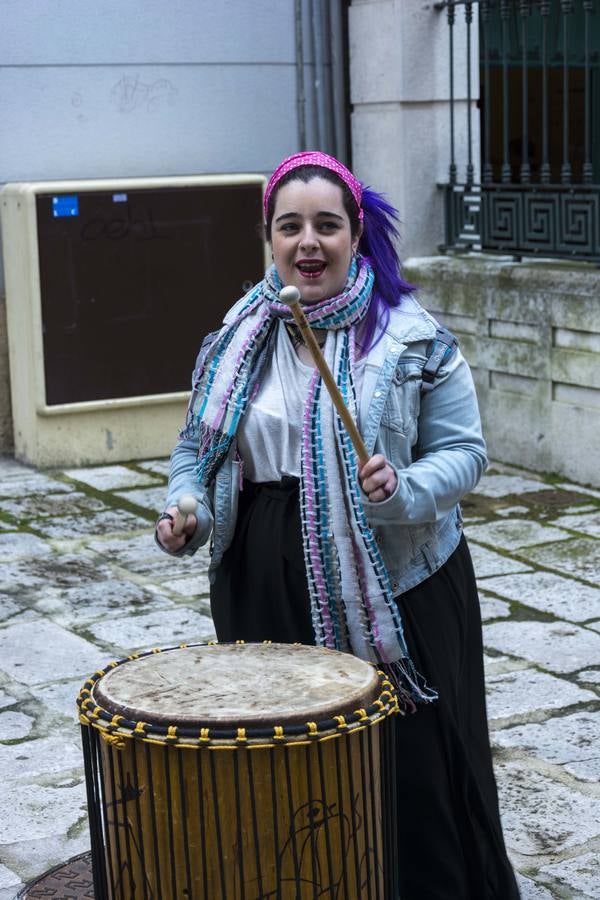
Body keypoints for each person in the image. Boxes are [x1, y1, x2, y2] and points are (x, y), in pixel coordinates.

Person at [156, 151, 520, 899]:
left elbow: (465, 453)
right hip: (260, 579)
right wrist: (185, 508)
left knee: (405, 767)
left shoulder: (411, 338)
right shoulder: (235, 338)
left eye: (327, 224)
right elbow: (196, 445)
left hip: (396, 583)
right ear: (269, 236)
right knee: (286, 762)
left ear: (356, 234)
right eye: (290, 226)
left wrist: (402, 486)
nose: (308, 242)